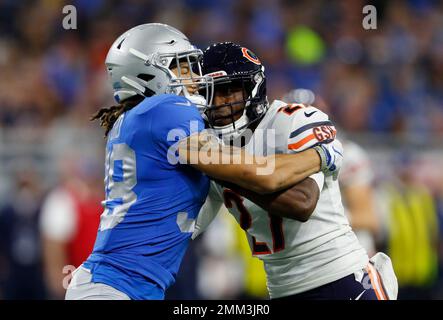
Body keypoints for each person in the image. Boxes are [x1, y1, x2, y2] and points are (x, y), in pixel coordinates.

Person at [65, 24, 342, 300]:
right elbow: (260, 175)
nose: (196, 78)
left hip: (120, 284)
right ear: (147, 72)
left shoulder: (138, 117)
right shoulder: (167, 110)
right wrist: (321, 155)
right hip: (116, 286)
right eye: (182, 67)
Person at [192, 42, 398, 300]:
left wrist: (222, 168)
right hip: (281, 290)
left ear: (252, 90)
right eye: (210, 94)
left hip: (342, 279)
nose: (219, 103)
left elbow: (302, 203)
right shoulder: (211, 149)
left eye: (228, 91)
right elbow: (186, 226)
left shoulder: (288, 122)